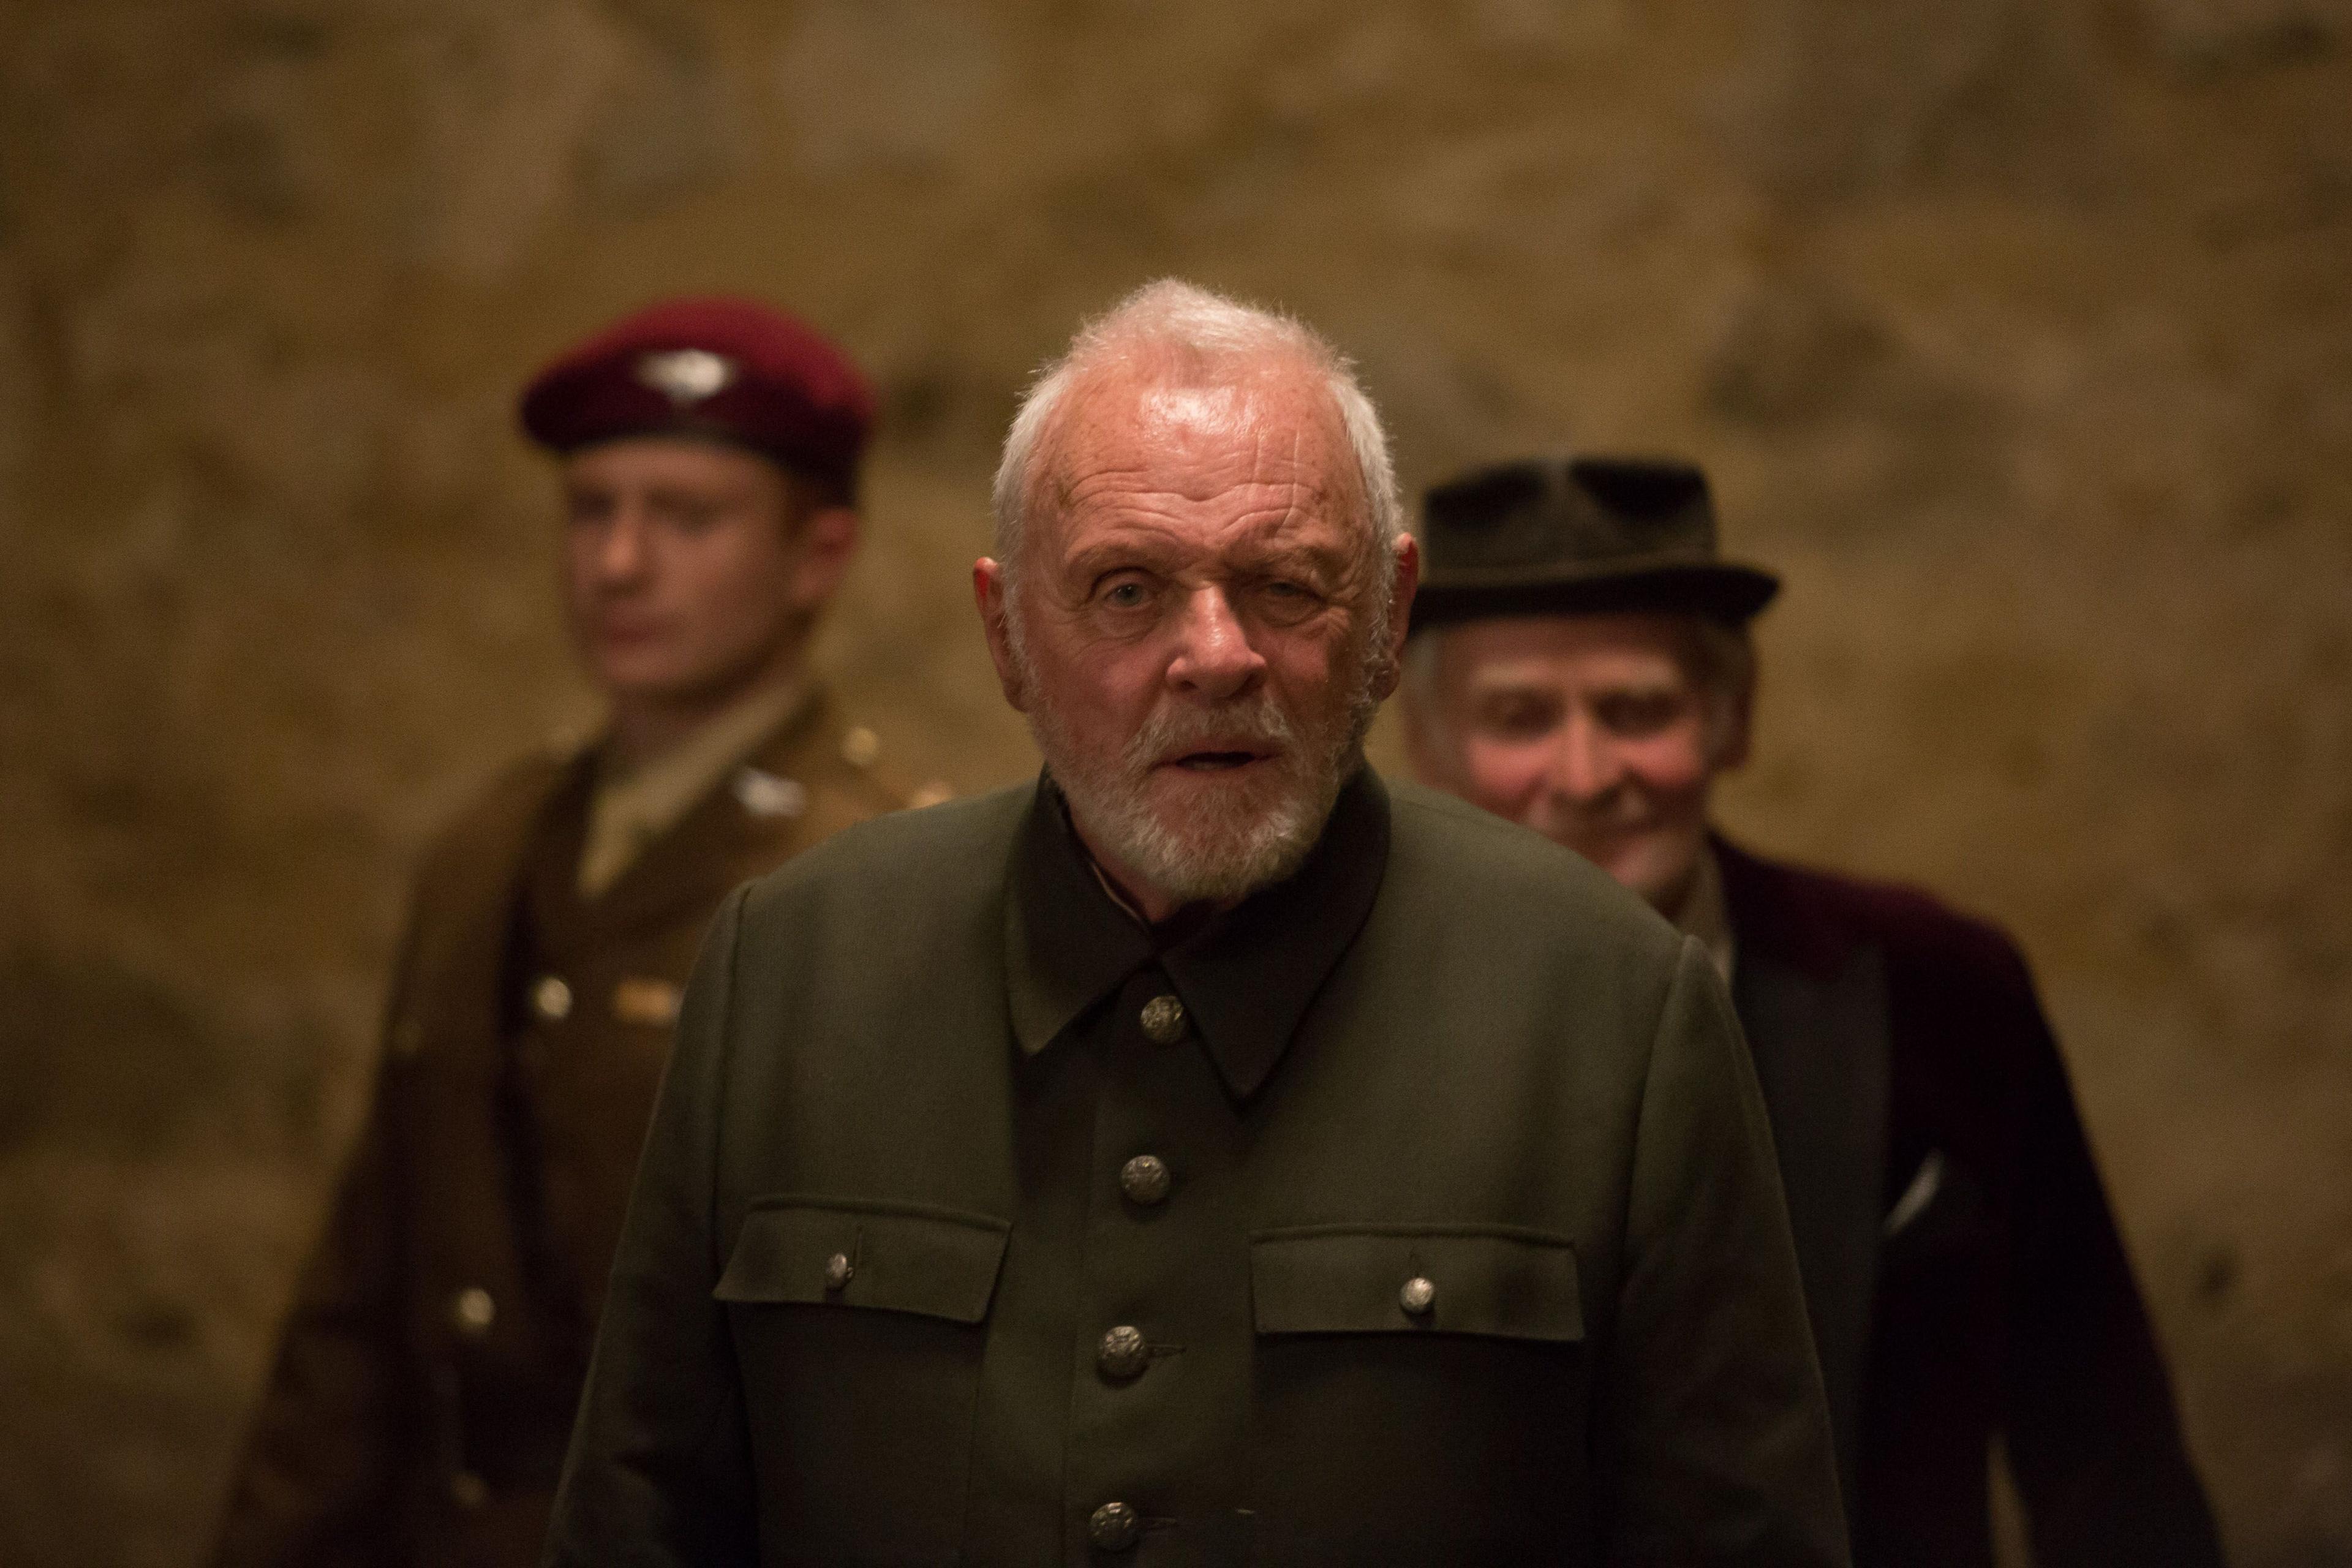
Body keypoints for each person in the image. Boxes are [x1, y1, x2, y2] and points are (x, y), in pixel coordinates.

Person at [540, 281, 1847, 1567]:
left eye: (1285, 586)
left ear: (1388, 620)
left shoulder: (1611, 1008)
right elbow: (641, 1513)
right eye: (1127, 589)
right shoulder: (794, 968)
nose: (1215, 652)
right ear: (1007, 632)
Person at [1401, 454, 2226, 1567]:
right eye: (1519, 717)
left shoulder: (1942, 991)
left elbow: (2103, 1442)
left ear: (1732, 719)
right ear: (1431, 747)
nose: (1587, 773)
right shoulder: (1357, 1014)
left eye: (1639, 709)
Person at [211, 297, 924, 1568]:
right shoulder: (487, 844)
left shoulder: (870, 879)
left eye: (686, 516)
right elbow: (366, 1293)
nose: (617, 563)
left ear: (818, 555)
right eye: (592, 510)